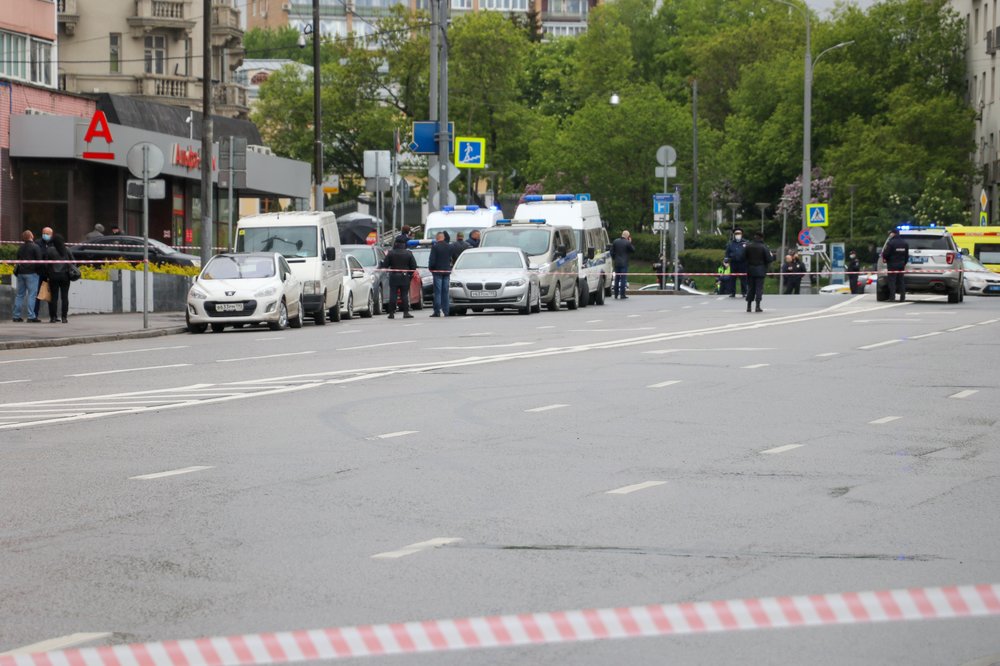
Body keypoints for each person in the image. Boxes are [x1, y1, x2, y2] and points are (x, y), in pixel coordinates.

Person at [380, 235, 417, 319]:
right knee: (404, 295)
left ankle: (391, 313)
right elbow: (413, 267)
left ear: (396, 243)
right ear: (404, 244)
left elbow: (385, 265)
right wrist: (409, 276)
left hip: (393, 276)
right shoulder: (408, 253)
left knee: (393, 294)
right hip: (404, 276)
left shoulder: (391, 253)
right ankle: (406, 312)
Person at [12, 230, 43, 323]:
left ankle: (16, 316)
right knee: (32, 295)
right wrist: (38, 271)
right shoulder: (35, 247)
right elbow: (39, 260)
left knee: (20, 295)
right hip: (32, 273)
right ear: (31, 236)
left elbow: (18, 258)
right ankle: (31, 316)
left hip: (21, 273)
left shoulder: (21, 247)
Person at [45, 233, 73, 323]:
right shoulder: (67, 250)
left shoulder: (50, 250)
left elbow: (46, 264)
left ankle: (53, 317)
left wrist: (48, 273)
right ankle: (64, 317)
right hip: (65, 276)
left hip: (53, 276)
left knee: (54, 297)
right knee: (65, 297)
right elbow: (73, 262)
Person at [744, 231, 773, 312]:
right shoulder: (764, 247)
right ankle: (757, 306)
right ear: (762, 238)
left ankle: (749, 306)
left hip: (750, 270)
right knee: (759, 288)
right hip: (760, 270)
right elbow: (769, 259)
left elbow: (743, 257)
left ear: (755, 237)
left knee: (751, 288)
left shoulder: (748, 246)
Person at [428, 231, 453, 317]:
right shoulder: (449, 246)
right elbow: (450, 258)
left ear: (437, 238)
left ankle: (437, 311)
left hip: (437, 271)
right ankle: (446, 311)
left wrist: (431, 268)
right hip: (446, 271)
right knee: (445, 291)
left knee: (438, 292)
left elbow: (432, 260)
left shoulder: (435, 247)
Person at [881, 228, 909, 301]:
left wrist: (886, 259)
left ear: (894, 233)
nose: (890, 234)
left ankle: (892, 297)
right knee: (901, 281)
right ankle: (902, 297)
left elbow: (885, 254)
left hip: (892, 265)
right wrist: (904, 263)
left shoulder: (891, 243)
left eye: (891, 233)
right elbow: (906, 256)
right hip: (901, 265)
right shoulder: (904, 243)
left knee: (892, 281)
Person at [610, 230, 635, 299]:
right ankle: (622, 294)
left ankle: (615, 294)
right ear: (627, 236)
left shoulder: (615, 241)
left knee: (617, 279)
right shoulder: (627, 242)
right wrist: (630, 242)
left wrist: (614, 258)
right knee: (623, 279)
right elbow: (633, 250)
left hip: (617, 263)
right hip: (624, 264)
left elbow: (611, 252)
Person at [725, 228, 748, 298]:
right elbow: (727, 253)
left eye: (739, 233)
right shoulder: (730, 243)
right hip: (733, 263)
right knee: (732, 278)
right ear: (734, 235)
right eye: (736, 234)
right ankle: (732, 292)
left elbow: (749, 253)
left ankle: (744, 292)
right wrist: (726, 262)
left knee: (743, 278)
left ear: (742, 234)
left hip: (743, 263)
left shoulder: (746, 243)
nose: (738, 235)